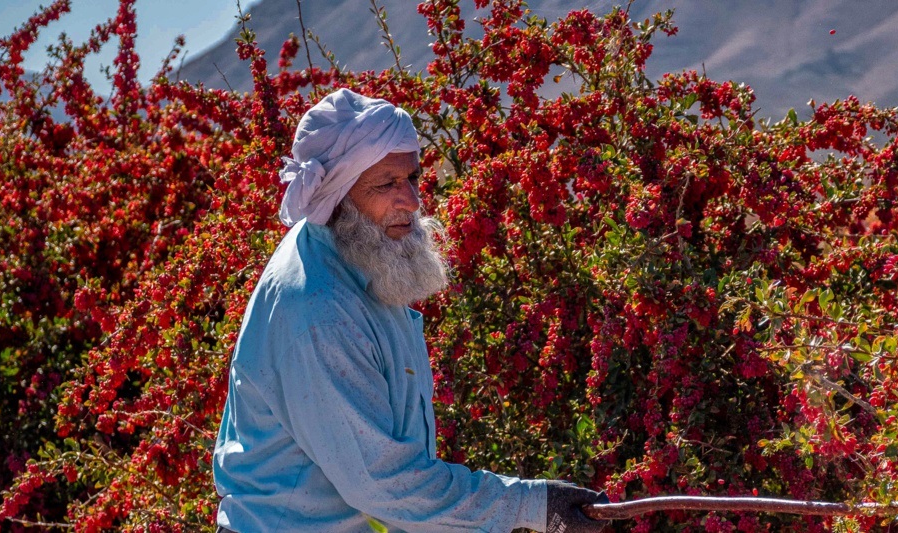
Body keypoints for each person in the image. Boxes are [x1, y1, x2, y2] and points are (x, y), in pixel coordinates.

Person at [212, 88, 609, 533]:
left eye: (412, 178)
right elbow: (383, 482)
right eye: (387, 184)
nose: (413, 201)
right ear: (338, 194)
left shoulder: (356, 256)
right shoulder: (320, 309)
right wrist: (531, 506)